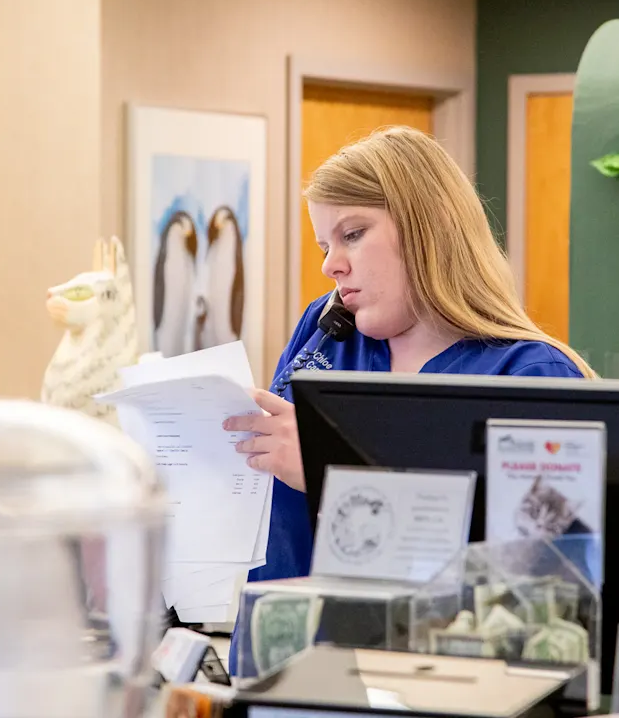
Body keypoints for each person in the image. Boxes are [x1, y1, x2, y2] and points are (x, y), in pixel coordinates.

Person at [223, 126, 596, 670]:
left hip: (439, 682)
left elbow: (547, 584)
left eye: (352, 234)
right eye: (326, 245)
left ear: (427, 230)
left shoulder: (531, 375)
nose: (331, 265)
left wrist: (335, 473)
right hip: (284, 670)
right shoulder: (326, 335)